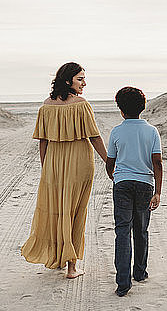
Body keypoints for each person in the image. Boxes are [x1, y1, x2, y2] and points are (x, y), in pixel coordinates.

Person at [21, 62, 108, 279]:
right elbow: (94, 136)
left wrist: (46, 168)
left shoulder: (46, 105)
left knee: (58, 210)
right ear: (68, 80)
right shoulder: (81, 104)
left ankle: (60, 257)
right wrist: (108, 161)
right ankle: (71, 267)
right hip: (79, 163)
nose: (84, 83)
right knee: (75, 211)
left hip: (53, 164)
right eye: (80, 79)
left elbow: (43, 142)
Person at [106, 87, 163, 297]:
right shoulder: (152, 131)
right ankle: (139, 272)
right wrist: (158, 192)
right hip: (145, 185)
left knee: (122, 230)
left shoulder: (116, 132)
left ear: (120, 110)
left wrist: (115, 176)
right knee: (141, 229)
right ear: (143, 107)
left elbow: (110, 162)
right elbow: (157, 162)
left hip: (122, 184)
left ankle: (123, 283)